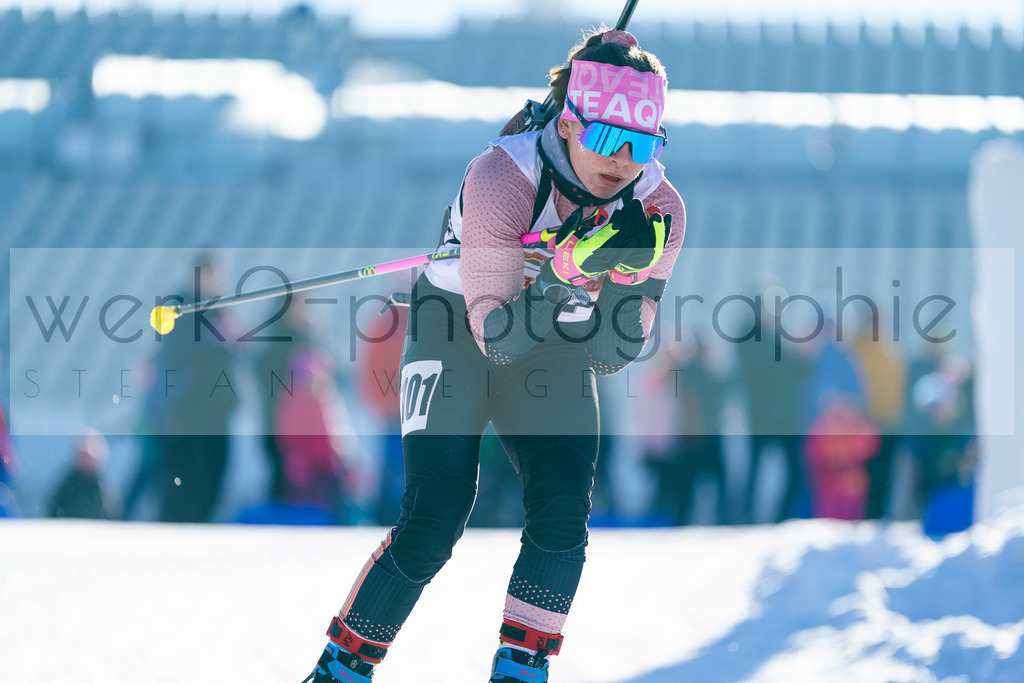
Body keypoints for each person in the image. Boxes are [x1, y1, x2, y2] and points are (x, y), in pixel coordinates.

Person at [303, 28, 684, 683]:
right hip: (457, 327)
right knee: (436, 514)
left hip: (558, 343)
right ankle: (341, 666)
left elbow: (607, 355)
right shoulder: (503, 177)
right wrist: (565, 274)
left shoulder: (658, 209)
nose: (622, 159)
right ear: (569, 123)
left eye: (642, 143)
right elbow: (497, 339)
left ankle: (521, 669)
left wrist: (625, 282)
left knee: (563, 509)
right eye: (604, 138)